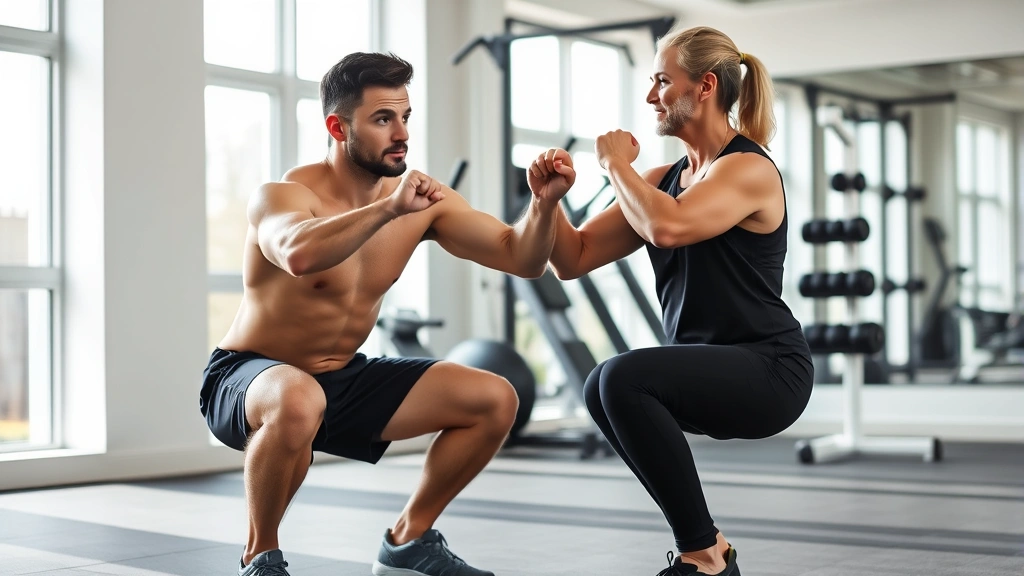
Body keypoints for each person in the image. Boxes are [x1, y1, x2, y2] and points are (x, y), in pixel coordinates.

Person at [199, 52, 575, 576]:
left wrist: (543, 205)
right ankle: (260, 556)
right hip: (247, 377)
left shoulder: (424, 200)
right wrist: (387, 208)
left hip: (339, 378)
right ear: (338, 126)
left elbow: (523, 259)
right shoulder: (284, 194)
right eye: (382, 119)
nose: (400, 133)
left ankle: (408, 541)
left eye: (404, 116)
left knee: (493, 398)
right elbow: (299, 254)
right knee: (297, 398)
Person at [539, 26, 814, 576]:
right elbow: (572, 259)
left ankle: (703, 558)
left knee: (620, 377)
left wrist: (614, 164)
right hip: (711, 366)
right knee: (601, 386)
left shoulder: (748, 168)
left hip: (770, 367)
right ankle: (709, 551)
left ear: (706, 86)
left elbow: (669, 228)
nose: (649, 97)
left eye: (662, 81)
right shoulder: (662, 179)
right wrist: (548, 203)